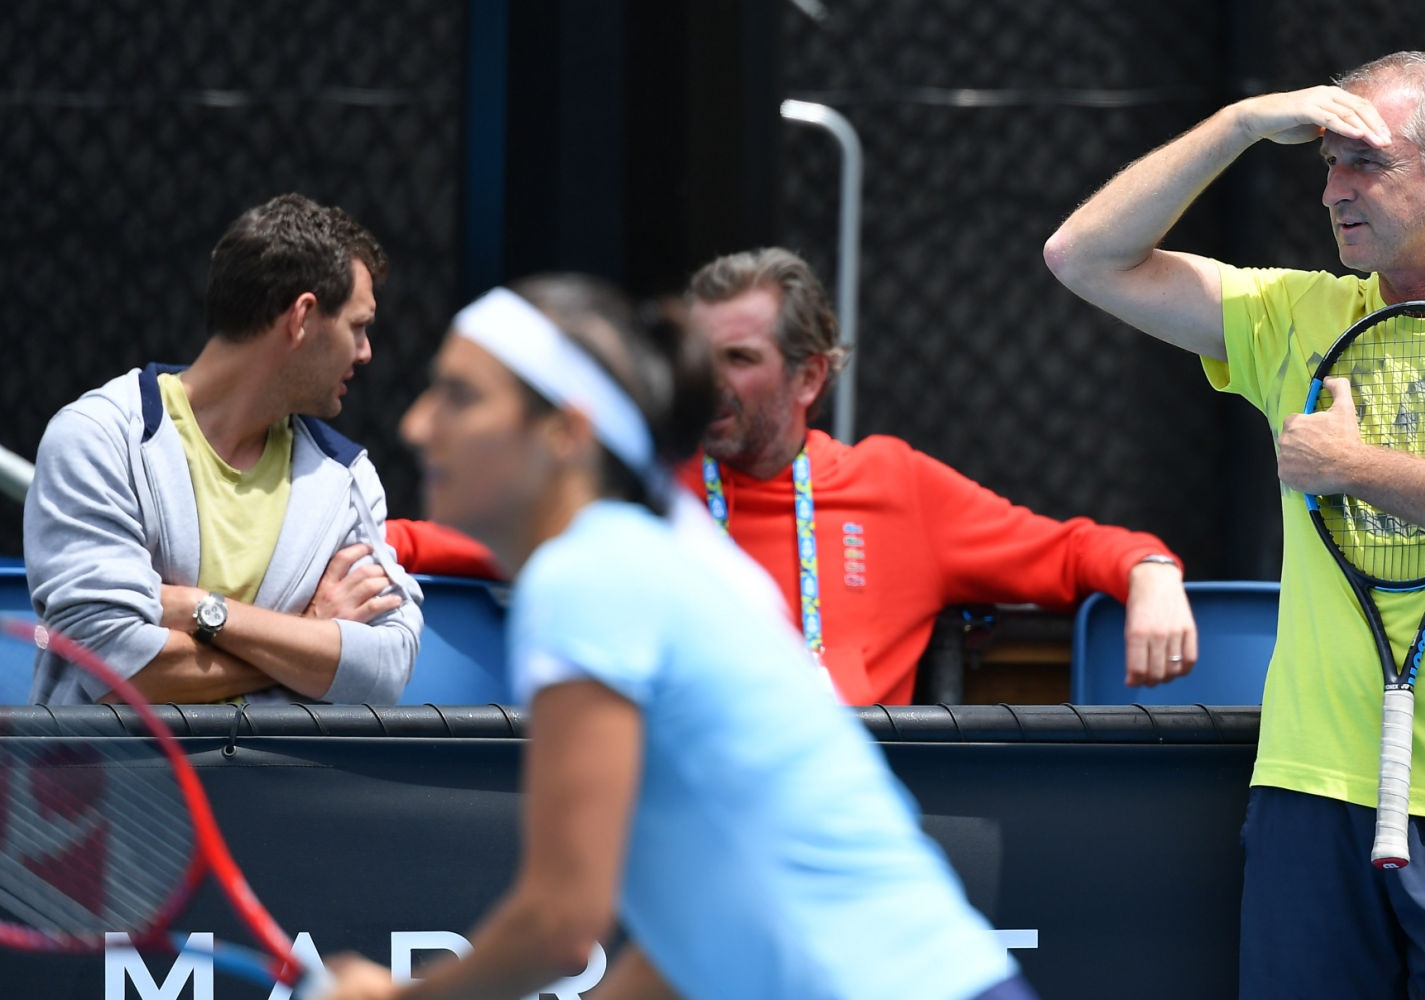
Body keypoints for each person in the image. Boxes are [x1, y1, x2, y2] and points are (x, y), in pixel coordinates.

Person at [1044, 52, 1425, 998]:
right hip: (1311, 794)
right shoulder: (1294, 314)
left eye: (1366, 164)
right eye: (1325, 164)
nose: (1333, 191)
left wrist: (1349, 468)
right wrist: (1237, 121)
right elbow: (1082, 256)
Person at [324, 274, 1034, 1000]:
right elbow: (690, 941)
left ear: (565, 432)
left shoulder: (585, 575)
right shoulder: (664, 557)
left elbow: (561, 925)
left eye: (461, 396)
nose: (416, 424)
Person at [686, 247, 1197, 705]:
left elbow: (1068, 553)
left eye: (738, 359)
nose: (707, 381)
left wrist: (1149, 569)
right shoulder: (647, 486)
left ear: (809, 377)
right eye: (699, 357)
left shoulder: (893, 486)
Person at [25, 193, 421, 705]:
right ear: (301, 317)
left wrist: (202, 610)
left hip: (277, 788)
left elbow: (385, 667)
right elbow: (117, 664)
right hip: (120, 785)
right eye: (358, 326)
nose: (366, 352)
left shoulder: (348, 478)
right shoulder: (99, 438)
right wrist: (307, 635)